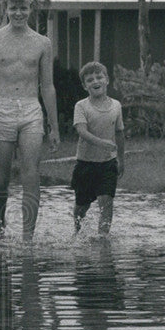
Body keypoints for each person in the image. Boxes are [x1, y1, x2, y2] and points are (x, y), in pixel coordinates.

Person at [0, 0, 60, 242]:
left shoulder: (42, 43)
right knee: (0, 179)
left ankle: (28, 236)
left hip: (31, 110)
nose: (19, 14)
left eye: (23, 8)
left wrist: (54, 126)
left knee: (31, 173)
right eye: (14, 8)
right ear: (6, 8)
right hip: (1, 107)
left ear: (30, 8)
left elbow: (47, 86)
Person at [71, 61, 124, 236]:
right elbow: (82, 131)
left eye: (99, 77)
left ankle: (103, 239)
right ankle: (77, 232)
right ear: (84, 85)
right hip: (85, 164)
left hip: (107, 164)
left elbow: (119, 133)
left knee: (106, 202)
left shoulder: (116, 106)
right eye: (90, 79)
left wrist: (121, 160)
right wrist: (102, 143)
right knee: (81, 207)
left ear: (107, 80)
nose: (95, 81)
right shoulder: (81, 106)